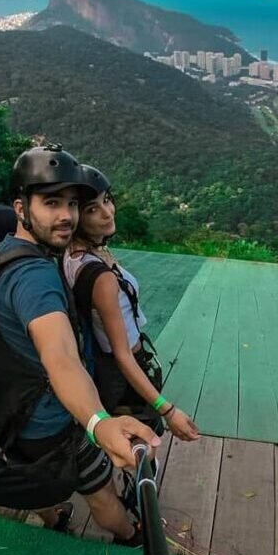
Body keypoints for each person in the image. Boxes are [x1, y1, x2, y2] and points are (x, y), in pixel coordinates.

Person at [0, 145, 159, 544]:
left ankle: (53, 515)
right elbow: (61, 358)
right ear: (21, 208)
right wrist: (98, 423)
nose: (67, 216)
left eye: (72, 204)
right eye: (52, 203)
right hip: (52, 420)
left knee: (34, 471)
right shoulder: (35, 279)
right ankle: (130, 533)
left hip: (12, 413)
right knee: (101, 492)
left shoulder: (2, 251)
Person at [63, 164, 200, 452]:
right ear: (76, 217)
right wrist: (167, 409)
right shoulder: (100, 277)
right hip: (124, 373)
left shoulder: (75, 255)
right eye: (92, 209)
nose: (107, 212)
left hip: (113, 368)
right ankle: (139, 495)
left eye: (107, 200)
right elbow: (123, 355)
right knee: (143, 445)